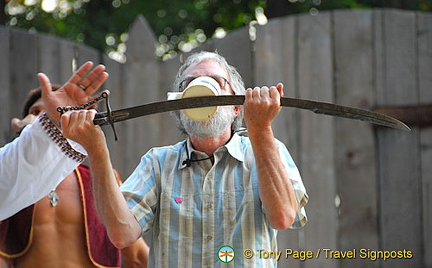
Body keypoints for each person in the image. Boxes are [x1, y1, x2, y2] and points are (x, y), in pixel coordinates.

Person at [61, 51, 309, 267]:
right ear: (179, 108)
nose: (199, 88)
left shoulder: (266, 150)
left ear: (236, 106)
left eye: (215, 81)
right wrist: (96, 150)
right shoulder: (158, 163)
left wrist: (261, 130)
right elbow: (121, 234)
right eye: (188, 84)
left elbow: (283, 217)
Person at [0, 85, 149, 268]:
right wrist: (26, 135)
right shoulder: (9, 184)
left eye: (57, 110)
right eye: (37, 112)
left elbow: (137, 257)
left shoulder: (102, 181)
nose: (47, 118)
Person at [0, 61, 109, 221]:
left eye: (49, 112)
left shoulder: (97, 181)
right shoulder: (19, 182)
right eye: (36, 112)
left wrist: (61, 125)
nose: (43, 118)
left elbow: (131, 242)